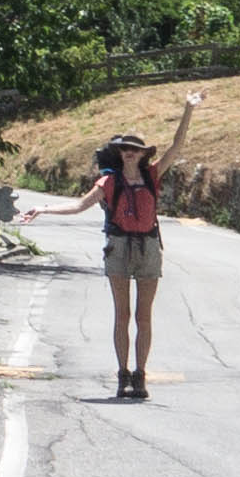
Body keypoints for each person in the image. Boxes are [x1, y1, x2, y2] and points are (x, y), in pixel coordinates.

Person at [69, 90, 202, 398]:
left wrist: (188, 109)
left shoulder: (153, 176)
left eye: (135, 149)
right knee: (122, 315)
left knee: (144, 316)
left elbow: (177, 146)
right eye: (125, 149)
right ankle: (122, 374)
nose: (129, 153)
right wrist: (41, 210)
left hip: (149, 248)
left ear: (143, 154)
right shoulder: (110, 182)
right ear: (119, 154)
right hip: (117, 248)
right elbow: (78, 206)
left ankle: (140, 376)